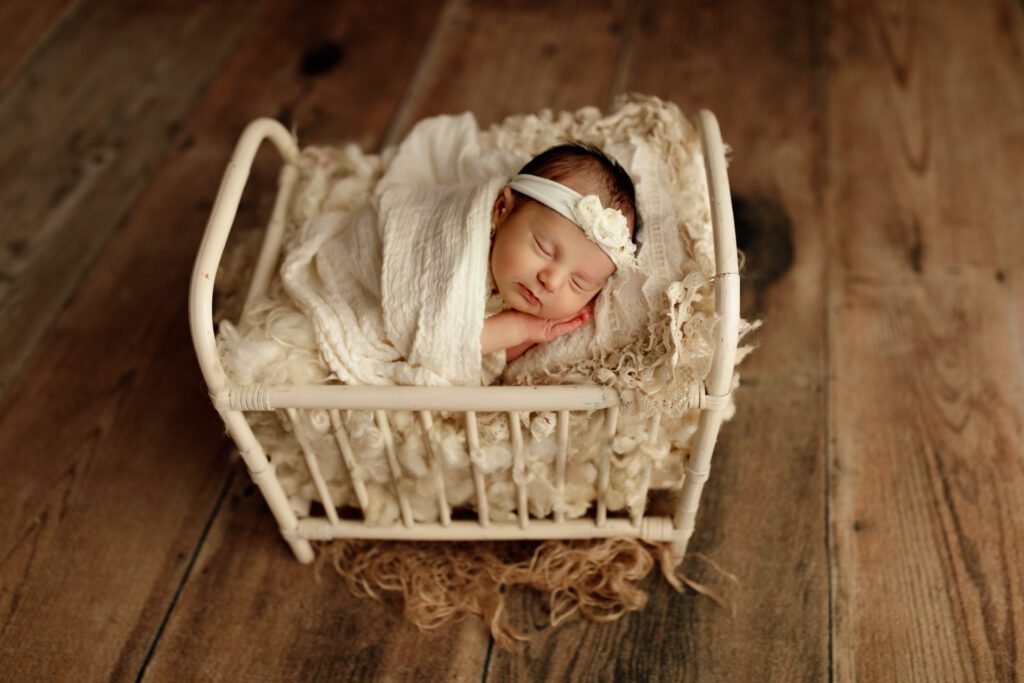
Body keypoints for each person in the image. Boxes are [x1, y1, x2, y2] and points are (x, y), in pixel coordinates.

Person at [481, 143, 640, 362]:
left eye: (578, 283)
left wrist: (528, 333)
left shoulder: (537, 323)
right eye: (543, 248)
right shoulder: (466, 251)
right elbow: (433, 337)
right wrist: (516, 328)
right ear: (501, 209)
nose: (552, 282)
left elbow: (474, 363)